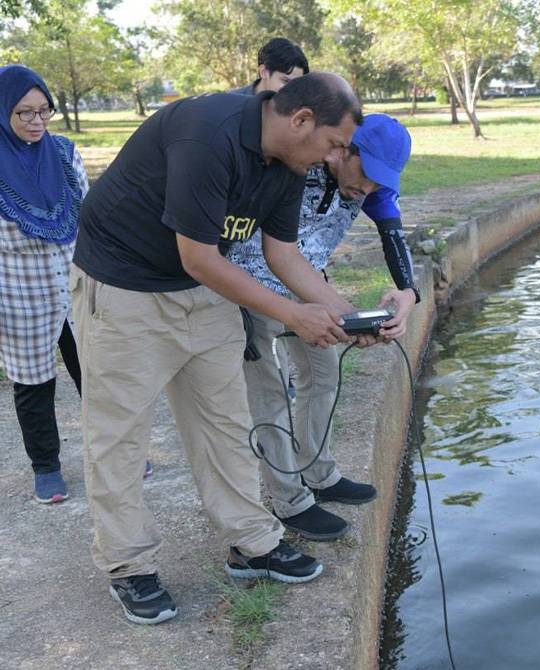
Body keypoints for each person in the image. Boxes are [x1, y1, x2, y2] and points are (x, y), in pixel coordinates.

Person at [70, 72, 363, 625]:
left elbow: (285, 256)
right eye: (334, 144)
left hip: (202, 290)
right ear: (301, 120)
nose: (334, 158)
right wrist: (294, 315)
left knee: (225, 421)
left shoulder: (291, 164)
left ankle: (250, 542)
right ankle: (128, 565)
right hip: (124, 284)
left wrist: (350, 316)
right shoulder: (209, 132)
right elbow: (199, 256)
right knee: (120, 434)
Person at [230, 113, 418, 540]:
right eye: (367, 175)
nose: (368, 189)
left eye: (379, 182)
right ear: (345, 148)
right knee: (270, 395)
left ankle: (320, 474)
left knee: (324, 376)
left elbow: (393, 236)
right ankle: (290, 501)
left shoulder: (367, 186)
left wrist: (408, 293)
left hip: (310, 285)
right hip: (252, 291)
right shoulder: (298, 164)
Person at [0, 65, 86, 504]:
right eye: (23, 113)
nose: (37, 122)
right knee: (33, 386)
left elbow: (87, 219)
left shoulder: (66, 153)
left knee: (97, 375)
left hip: (76, 286)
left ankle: (112, 452)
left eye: (44, 111)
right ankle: (47, 467)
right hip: (19, 296)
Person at [232, 38, 309, 96]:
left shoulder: (301, 110)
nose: (292, 90)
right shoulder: (231, 105)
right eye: (285, 81)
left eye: (296, 84)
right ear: (264, 72)